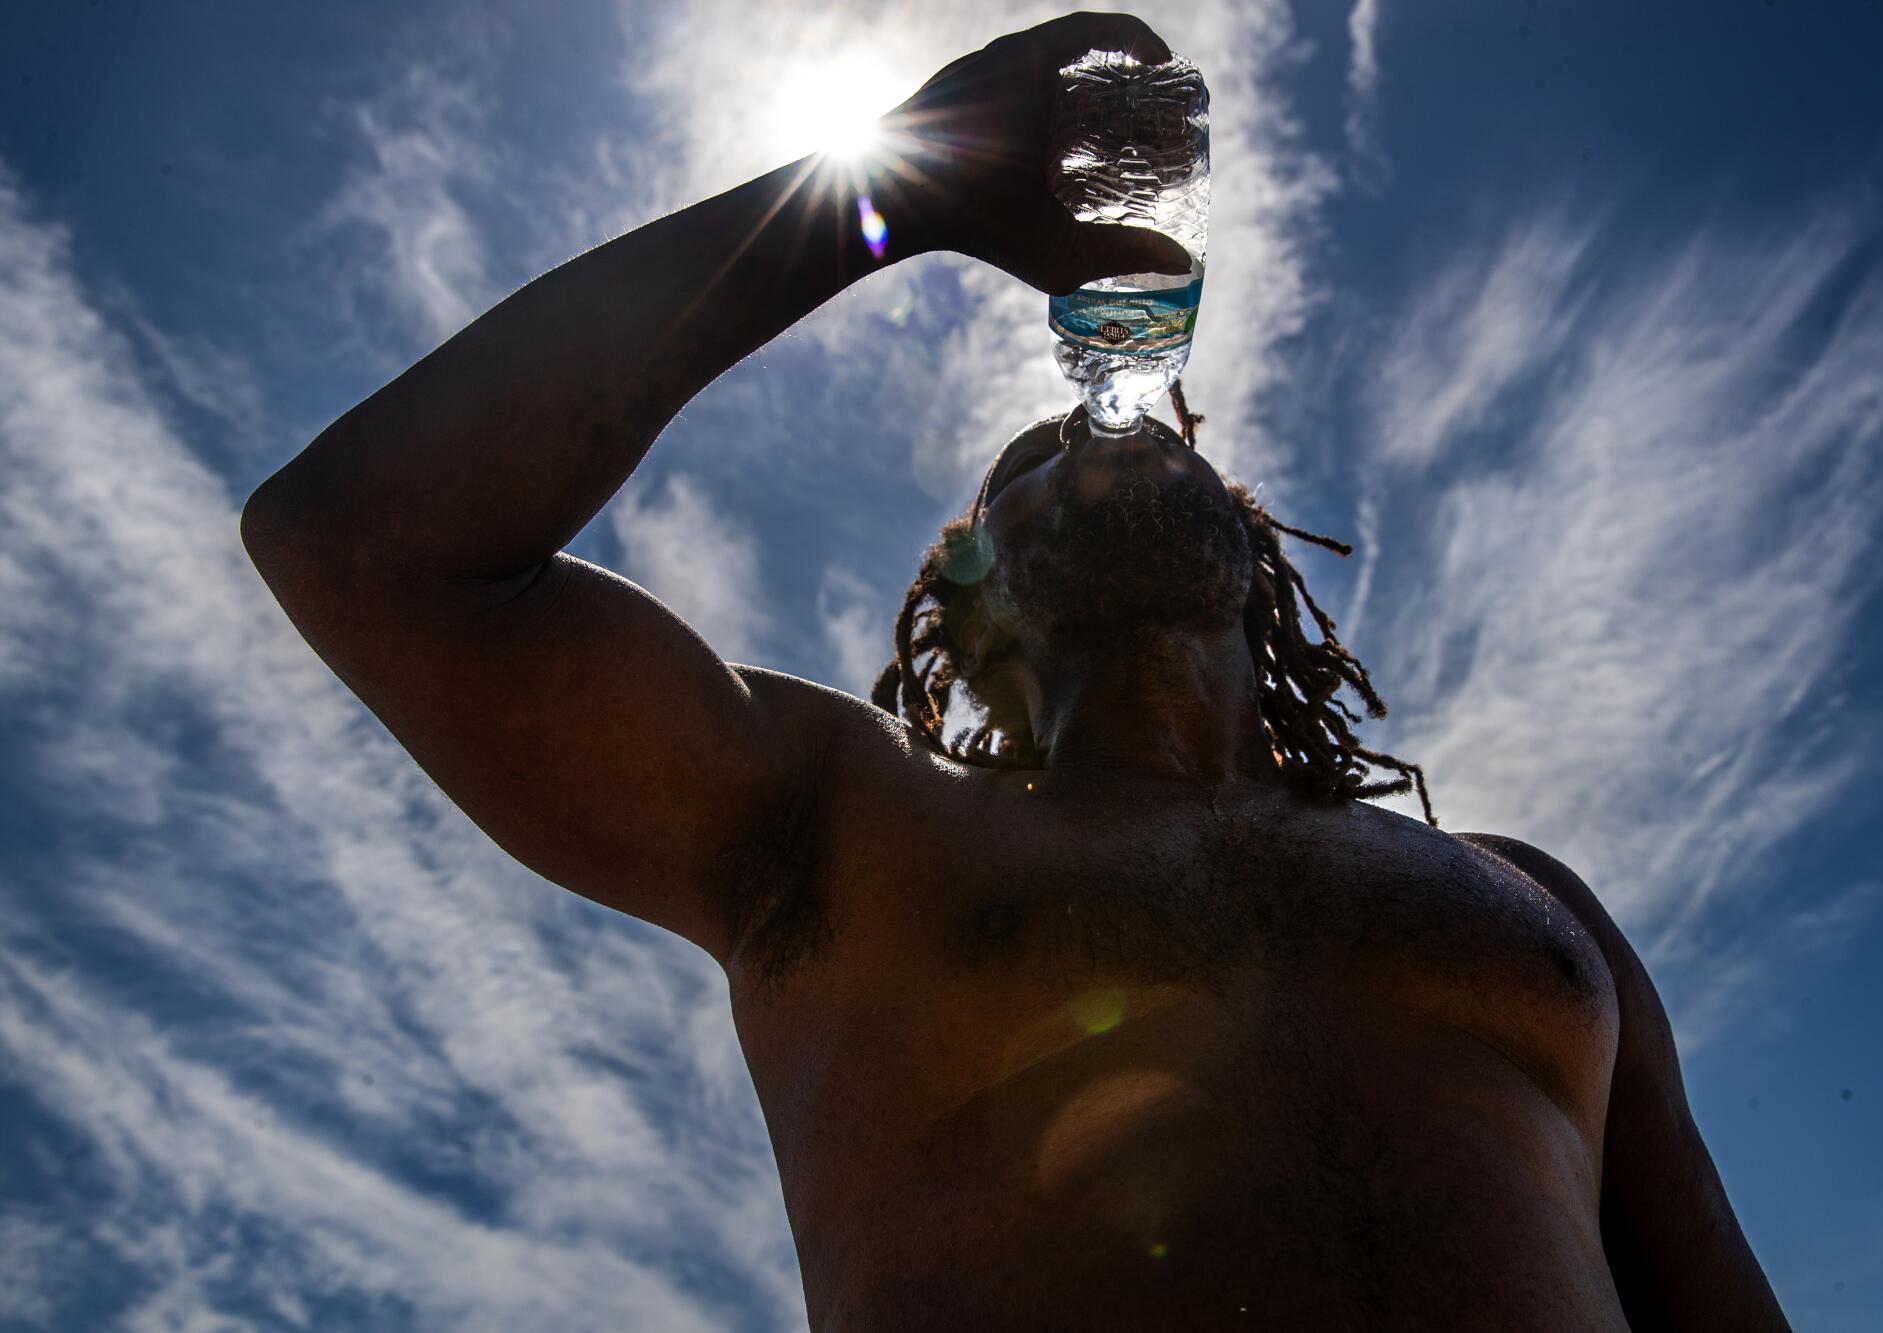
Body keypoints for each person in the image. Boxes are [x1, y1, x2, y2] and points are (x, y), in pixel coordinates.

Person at [240, 12, 1792, 1330]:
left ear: (1256, 552)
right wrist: (895, 190)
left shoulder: (1533, 899)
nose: (1087, 443)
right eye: (1026, 466)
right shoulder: (843, 821)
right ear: (976, 610)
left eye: (1122, 440)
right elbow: (362, 546)